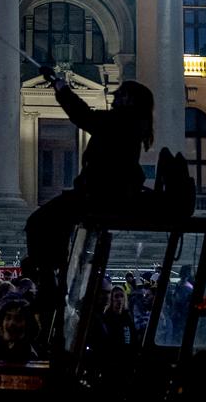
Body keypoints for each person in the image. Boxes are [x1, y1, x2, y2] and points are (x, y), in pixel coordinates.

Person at [23, 68, 154, 338]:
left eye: (120, 96)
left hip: (101, 196)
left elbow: (84, 116)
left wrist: (61, 87)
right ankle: (53, 282)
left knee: (38, 223)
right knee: (56, 228)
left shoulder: (124, 122)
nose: (115, 99)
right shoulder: (130, 123)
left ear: (130, 101)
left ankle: (50, 287)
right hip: (99, 194)